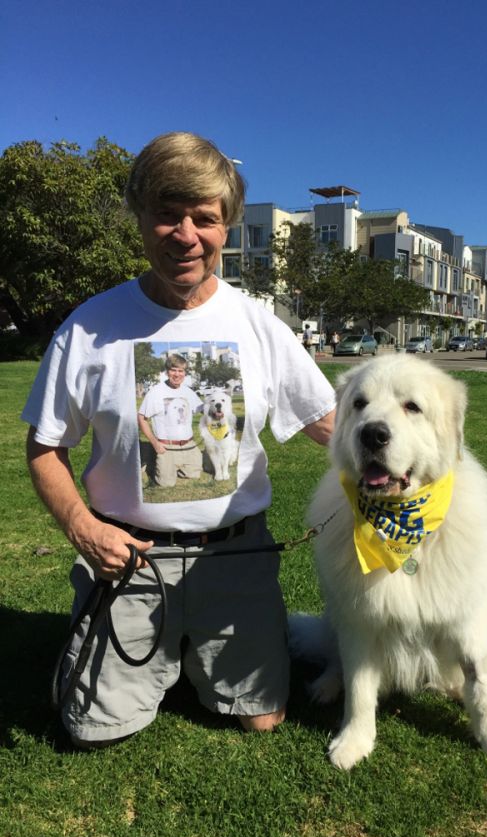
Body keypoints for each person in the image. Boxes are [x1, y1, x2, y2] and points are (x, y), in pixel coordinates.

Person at [23, 131, 336, 746]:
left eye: (204, 218)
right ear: (139, 218)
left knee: (264, 719)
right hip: (131, 561)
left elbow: (329, 423)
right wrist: (85, 531)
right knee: (92, 730)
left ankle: (191, 652)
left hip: (235, 557)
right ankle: (125, 651)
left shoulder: (258, 325)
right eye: (167, 215)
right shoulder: (90, 328)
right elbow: (44, 448)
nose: (185, 234)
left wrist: (409, 464)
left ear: (227, 226)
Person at [138, 353, 203, 487]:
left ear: (184, 373)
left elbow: (204, 410)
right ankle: (151, 459)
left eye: (181, 371)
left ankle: (173, 466)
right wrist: (156, 444)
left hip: (188, 444)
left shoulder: (189, 392)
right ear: (167, 372)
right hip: (166, 446)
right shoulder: (155, 392)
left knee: (194, 474)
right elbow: (141, 418)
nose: (177, 374)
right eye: (173, 370)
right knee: (166, 483)